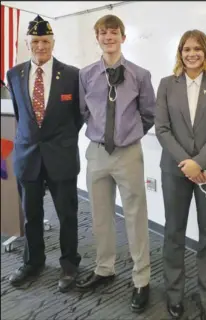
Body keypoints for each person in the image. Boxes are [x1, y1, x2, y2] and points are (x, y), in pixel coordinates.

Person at [77, 15, 156, 313]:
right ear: (97, 37)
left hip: (128, 153)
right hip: (97, 152)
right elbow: (84, 111)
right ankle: (104, 268)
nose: (108, 37)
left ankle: (142, 278)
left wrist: (128, 135)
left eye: (114, 33)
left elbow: (149, 114)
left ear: (123, 37)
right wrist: (101, 135)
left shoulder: (140, 75)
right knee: (100, 214)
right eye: (103, 33)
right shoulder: (86, 75)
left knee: (136, 215)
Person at [155, 29, 206, 320]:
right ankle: (174, 295)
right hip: (174, 171)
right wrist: (186, 163)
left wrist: (199, 163)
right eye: (186, 49)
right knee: (173, 233)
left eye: (197, 49)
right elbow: (161, 129)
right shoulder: (166, 84)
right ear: (180, 52)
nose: (191, 54)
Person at [6, 15, 83, 293]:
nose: (41, 46)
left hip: (61, 156)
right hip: (28, 156)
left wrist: (60, 140)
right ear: (28, 43)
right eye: (35, 41)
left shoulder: (73, 74)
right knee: (31, 214)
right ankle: (33, 262)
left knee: (67, 215)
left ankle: (69, 265)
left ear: (53, 42)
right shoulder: (14, 74)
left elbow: (78, 116)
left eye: (46, 41)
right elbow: (20, 114)